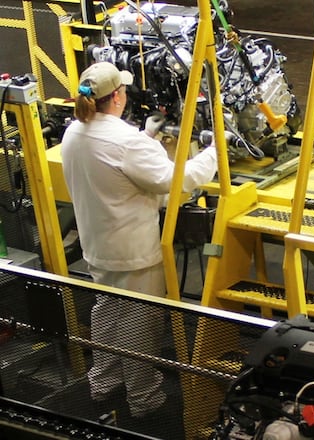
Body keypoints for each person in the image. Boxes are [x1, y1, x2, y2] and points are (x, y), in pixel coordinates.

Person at [60, 62, 218, 423]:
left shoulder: (73, 132)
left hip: (99, 248)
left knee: (108, 314)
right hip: (134, 254)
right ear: (116, 96)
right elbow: (177, 181)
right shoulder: (125, 141)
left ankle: (104, 383)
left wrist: (147, 138)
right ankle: (145, 401)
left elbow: (114, 171)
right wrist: (214, 151)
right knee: (140, 325)